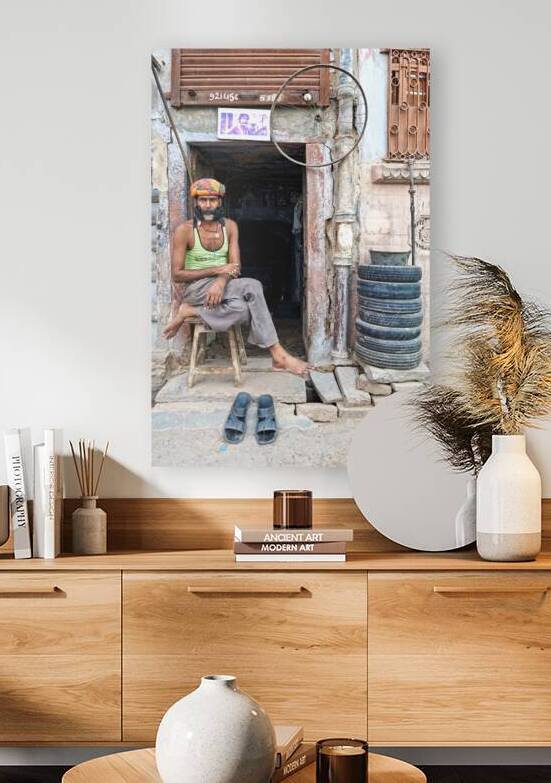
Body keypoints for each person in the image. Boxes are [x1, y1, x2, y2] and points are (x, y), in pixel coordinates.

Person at [163, 178, 310, 377]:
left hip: (222, 286)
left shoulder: (230, 227)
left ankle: (191, 311)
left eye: (212, 200)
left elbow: (236, 266)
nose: (207, 205)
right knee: (252, 285)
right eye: (203, 200)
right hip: (196, 288)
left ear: (220, 202)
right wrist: (217, 271)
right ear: (196, 203)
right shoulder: (185, 231)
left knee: (243, 311)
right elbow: (177, 274)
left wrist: (221, 281)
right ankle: (279, 355)